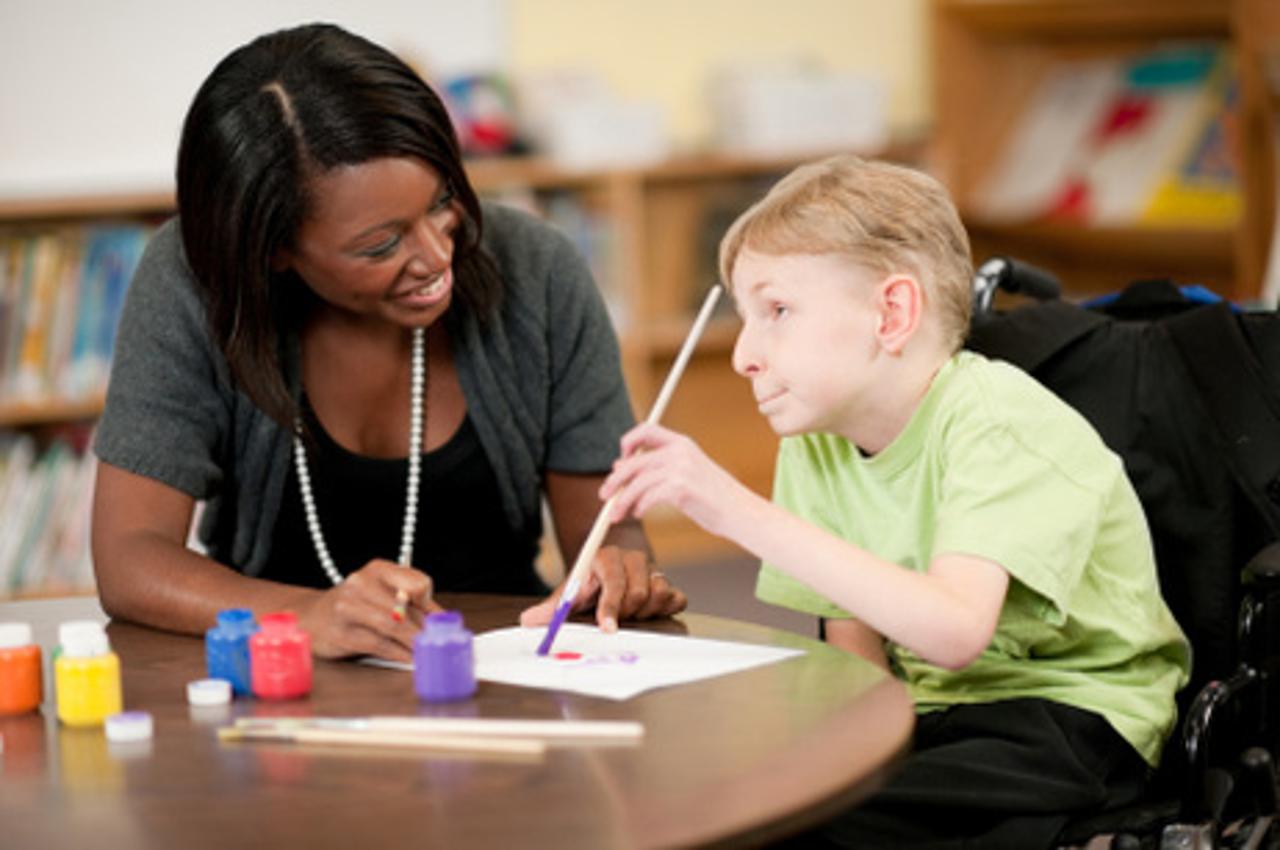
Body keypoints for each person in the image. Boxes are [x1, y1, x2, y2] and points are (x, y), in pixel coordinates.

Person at [600, 155, 1190, 848]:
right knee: (747, 793)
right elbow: (857, 654)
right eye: (744, 316)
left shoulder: (997, 422)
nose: (744, 355)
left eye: (777, 310)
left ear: (893, 313)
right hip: (934, 708)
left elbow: (956, 632)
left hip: (1069, 711)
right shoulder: (816, 438)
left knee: (817, 823)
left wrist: (734, 510)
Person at [90, 23, 684, 663]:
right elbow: (130, 559)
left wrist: (618, 569)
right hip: (279, 679)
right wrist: (309, 614)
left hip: (503, 673)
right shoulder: (193, 284)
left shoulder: (538, 270)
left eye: (443, 201)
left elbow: (605, 532)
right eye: (381, 245)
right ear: (274, 250)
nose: (437, 255)